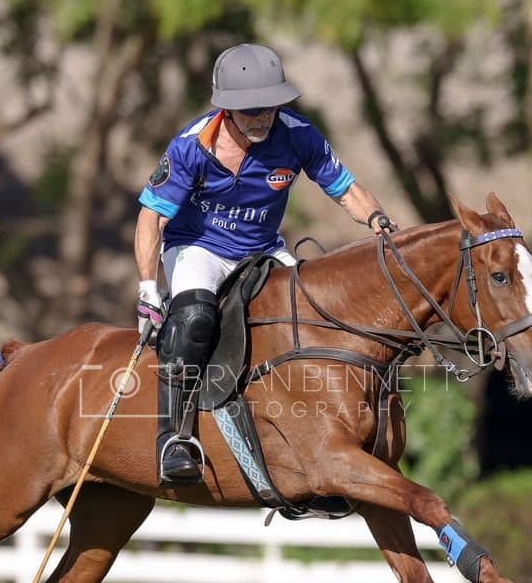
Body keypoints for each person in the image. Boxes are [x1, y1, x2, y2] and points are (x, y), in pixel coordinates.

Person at [134, 43, 397, 486]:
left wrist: (381, 224)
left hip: (263, 248)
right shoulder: (189, 148)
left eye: (271, 105)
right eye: (252, 108)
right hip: (198, 247)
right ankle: (172, 439)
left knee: (311, 319)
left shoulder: (298, 135)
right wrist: (147, 286)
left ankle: (317, 437)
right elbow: (153, 217)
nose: (263, 116)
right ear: (228, 109)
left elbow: (347, 190)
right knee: (196, 319)